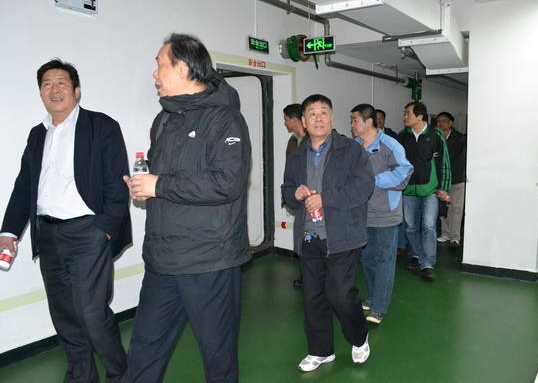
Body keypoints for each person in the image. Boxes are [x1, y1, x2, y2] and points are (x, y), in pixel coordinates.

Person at [122, 33, 252, 383]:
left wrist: (160, 185)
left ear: (181, 68)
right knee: (144, 351)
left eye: (159, 65)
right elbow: (162, 178)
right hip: (163, 259)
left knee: (217, 357)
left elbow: (227, 182)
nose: (155, 74)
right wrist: (146, 187)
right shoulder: (163, 120)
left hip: (209, 260)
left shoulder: (225, 119)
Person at [0, 59, 131, 382]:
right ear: (40, 93)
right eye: (47, 84)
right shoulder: (37, 135)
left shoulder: (101, 126)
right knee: (64, 316)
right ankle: (80, 377)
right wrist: (8, 231)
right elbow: (24, 186)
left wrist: (104, 231)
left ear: (76, 90)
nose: (54, 89)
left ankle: (122, 375)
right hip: (48, 236)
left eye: (61, 82)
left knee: (91, 314)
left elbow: (117, 184)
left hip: (88, 233)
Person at [281, 94, 374, 372]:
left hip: (342, 236)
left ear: (332, 118)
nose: (318, 118)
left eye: (323, 112)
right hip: (309, 237)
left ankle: (359, 337)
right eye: (312, 113)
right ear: (303, 121)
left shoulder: (351, 150)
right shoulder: (297, 156)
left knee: (341, 294)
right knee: (313, 297)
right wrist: (295, 194)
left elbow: (363, 187)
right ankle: (320, 351)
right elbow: (287, 189)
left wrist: (326, 198)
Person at [351, 104, 413, 324]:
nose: (352, 124)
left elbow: (404, 172)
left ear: (368, 122)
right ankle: (372, 297)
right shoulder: (355, 146)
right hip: (363, 214)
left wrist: (373, 180)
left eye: (355, 120)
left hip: (386, 213)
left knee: (384, 260)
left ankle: (379, 307)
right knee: (367, 258)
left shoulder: (390, 145)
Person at [397, 102, 451, 282]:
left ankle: (427, 264)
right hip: (408, 190)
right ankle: (416, 255)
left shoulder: (436, 135)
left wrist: (444, 187)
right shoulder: (402, 136)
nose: (405, 117)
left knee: (428, 227)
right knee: (411, 227)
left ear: (420, 117)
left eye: (408, 113)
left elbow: (445, 162)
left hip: (430, 190)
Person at [282, 103, 309, 286]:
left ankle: (314, 275)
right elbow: (288, 170)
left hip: (312, 197)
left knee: (311, 238)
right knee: (300, 236)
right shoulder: (292, 142)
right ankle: (304, 275)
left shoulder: (312, 139)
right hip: (296, 197)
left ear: (294, 119)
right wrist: (286, 192)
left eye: (286, 119)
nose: (285, 123)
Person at [435, 112, 466, 248]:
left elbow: (459, 159)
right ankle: (445, 233)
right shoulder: (435, 137)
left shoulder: (459, 138)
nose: (441, 123)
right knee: (443, 208)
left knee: (456, 208)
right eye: (439, 121)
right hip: (440, 180)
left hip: (457, 179)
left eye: (444, 120)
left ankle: (455, 237)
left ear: (451, 123)